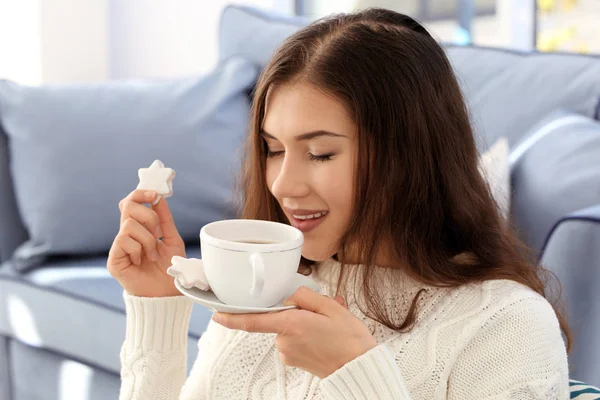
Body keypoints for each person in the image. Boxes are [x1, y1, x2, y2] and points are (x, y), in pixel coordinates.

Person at [108, 8, 571, 400]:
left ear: (407, 153)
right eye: (274, 149)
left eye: (321, 153)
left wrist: (358, 376)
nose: (284, 185)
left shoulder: (506, 324)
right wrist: (158, 308)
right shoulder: (263, 283)